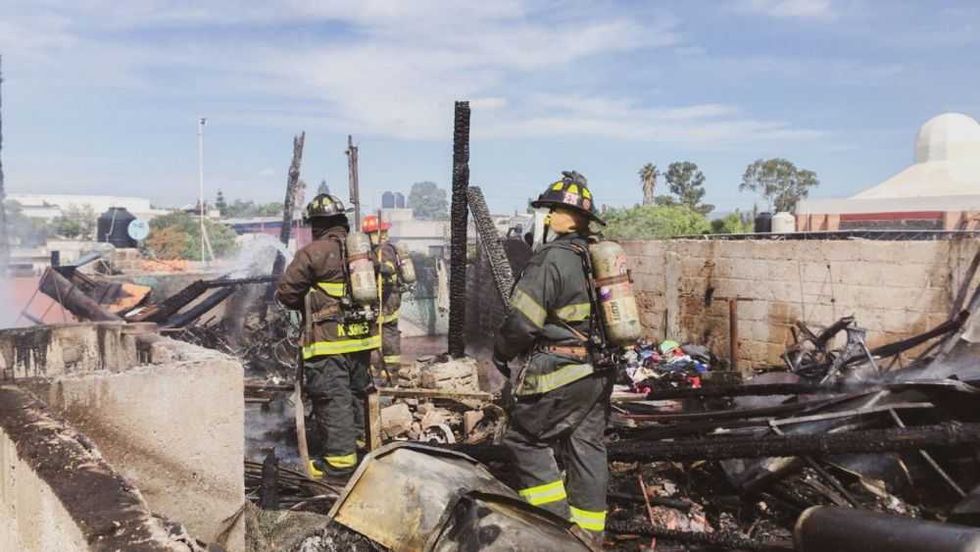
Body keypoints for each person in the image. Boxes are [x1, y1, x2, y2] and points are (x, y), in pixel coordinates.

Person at [492, 171, 612, 539]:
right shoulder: (596, 256)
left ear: (565, 216)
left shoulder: (551, 258)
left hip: (561, 371)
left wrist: (501, 351)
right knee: (587, 445)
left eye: (549, 211)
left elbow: (524, 321)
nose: (543, 217)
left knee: (524, 441)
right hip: (599, 372)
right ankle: (591, 535)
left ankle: (557, 531)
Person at [276, 194, 380, 479]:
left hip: (327, 341)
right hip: (362, 338)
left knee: (332, 398)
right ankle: (358, 446)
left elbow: (286, 293)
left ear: (317, 224)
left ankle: (339, 462)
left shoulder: (314, 252)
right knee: (357, 392)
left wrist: (308, 304)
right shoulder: (362, 251)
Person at [362, 214, 403, 383]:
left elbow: (390, 269)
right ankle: (378, 372)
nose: (384, 234)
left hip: (387, 299)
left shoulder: (384, 250)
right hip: (381, 298)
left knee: (387, 336)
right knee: (376, 335)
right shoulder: (373, 251)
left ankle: (390, 374)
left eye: (385, 231)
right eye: (381, 231)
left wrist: (378, 266)